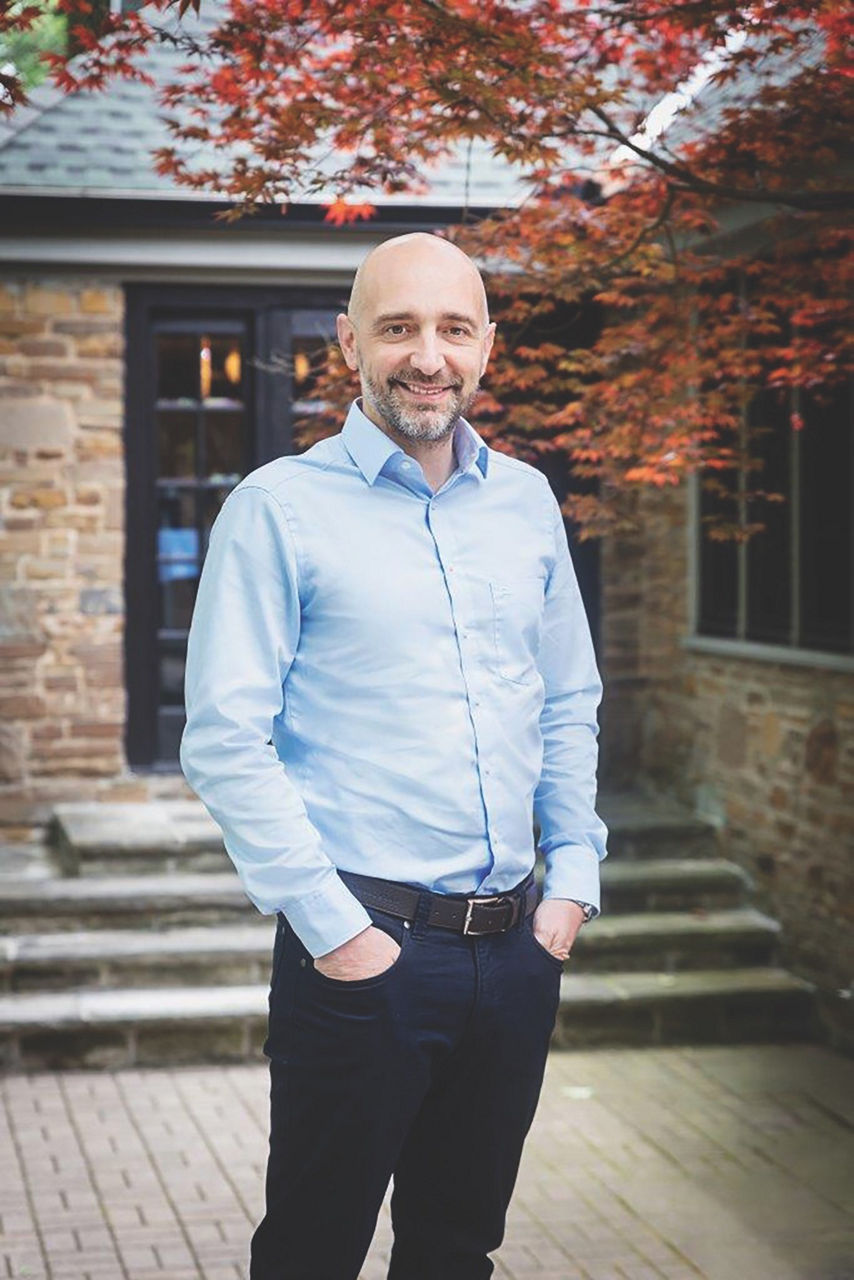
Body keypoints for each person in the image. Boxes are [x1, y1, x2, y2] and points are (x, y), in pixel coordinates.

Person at [180, 232, 608, 1280]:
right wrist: (334, 931)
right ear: (348, 342)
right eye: (399, 327)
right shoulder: (276, 509)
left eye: (453, 329)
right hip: (361, 953)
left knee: (456, 1248)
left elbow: (566, 701)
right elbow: (224, 739)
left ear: (486, 347)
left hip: (514, 948)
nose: (428, 356)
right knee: (312, 1251)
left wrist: (571, 887)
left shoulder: (526, 503)